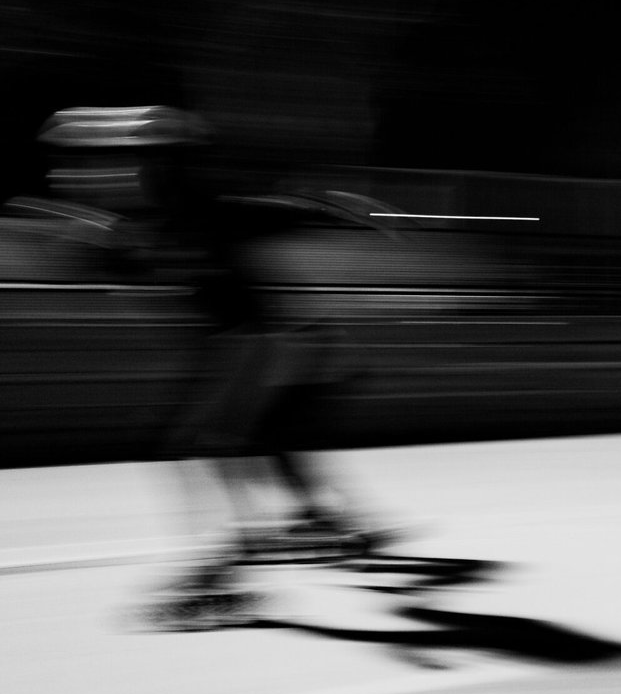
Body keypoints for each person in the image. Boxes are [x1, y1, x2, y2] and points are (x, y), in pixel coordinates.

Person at [11, 104, 406, 627]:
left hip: (250, 341)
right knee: (226, 448)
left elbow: (279, 211)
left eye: (138, 166)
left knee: (205, 447)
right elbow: (117, 253)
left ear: (165, 168)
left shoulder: (204, 210)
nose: (116, 179)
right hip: (226, 347)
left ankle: (234, 560)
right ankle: (267, 542)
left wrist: (342, 211)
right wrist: (72, 238)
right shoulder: (145, 222)